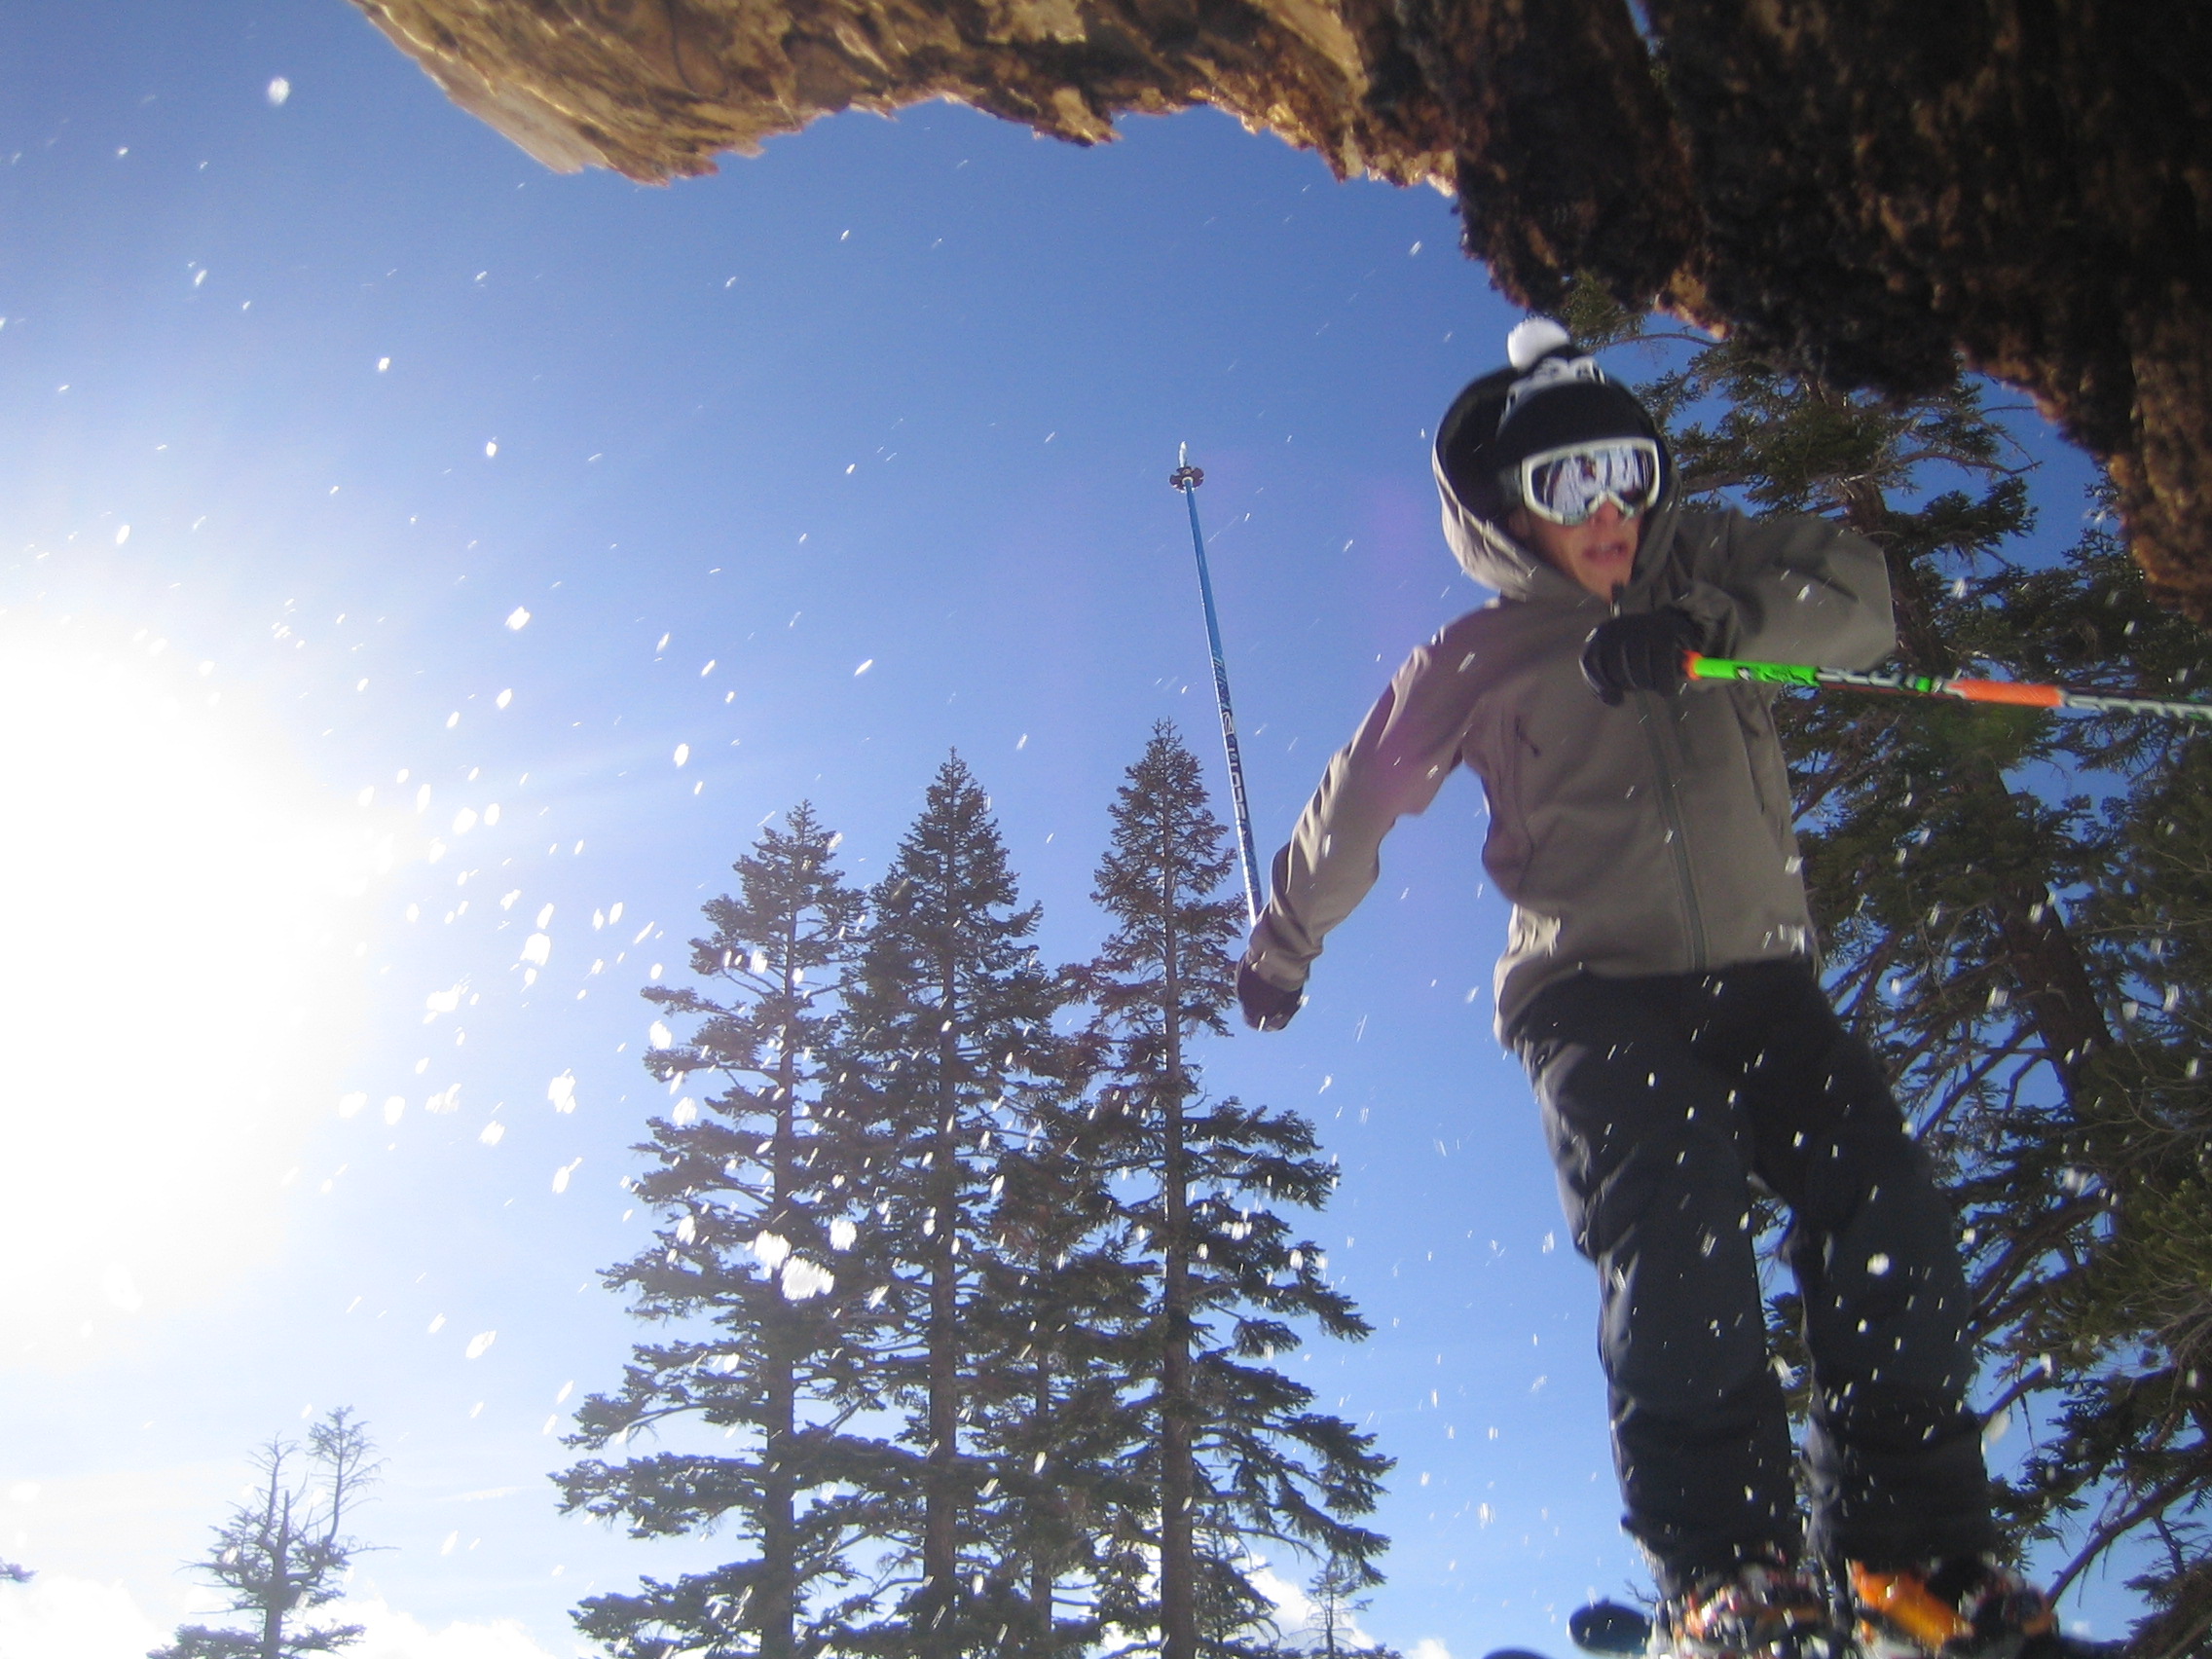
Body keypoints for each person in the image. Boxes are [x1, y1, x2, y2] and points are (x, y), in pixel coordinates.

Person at [1235, 320, 2058, 1659]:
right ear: (1511, 508)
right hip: (1592, 991)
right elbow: (1360, 801)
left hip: (1762, 976)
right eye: (1567, 484)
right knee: (1675, 1221)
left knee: (1885, 1204)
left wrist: (1706, 624)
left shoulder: (1708, 568)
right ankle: (1725, 1566)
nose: (1608, 510)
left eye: (1625, 472)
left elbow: (1857, 597)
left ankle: (1914, 1548)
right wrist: (1285, 940)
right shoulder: (1481, 655)